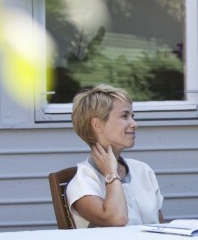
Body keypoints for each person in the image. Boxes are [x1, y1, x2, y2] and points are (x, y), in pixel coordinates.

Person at [66, 84, 164, 228]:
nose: (134, 124)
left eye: (132, 116)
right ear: (97, 124)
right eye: (125, 116)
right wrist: (111, 174)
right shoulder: (82, 183)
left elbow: (161, 226)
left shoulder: (143, 170)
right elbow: (117, 220)